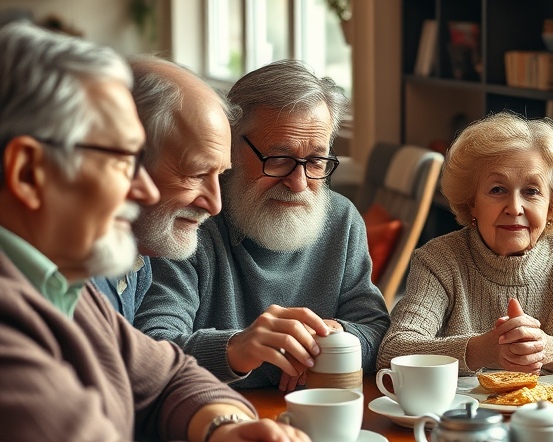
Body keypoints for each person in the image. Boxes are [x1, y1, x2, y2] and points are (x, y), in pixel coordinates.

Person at [0, 23, 386, 442]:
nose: (141, 190)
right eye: (120, 162)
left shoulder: (60, 285)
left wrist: (222, 427)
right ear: (27, 173)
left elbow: (165, 373)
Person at [137, 60, 390, 392]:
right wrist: (237, 349)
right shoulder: (191, 219)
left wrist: (330, 340)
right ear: (231, 148)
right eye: (279, 159)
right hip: (212, 414)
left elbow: (376, 329)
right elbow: (149, 348)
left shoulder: (340, 220)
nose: (298, 183)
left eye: (315, 161)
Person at [377, 112, 553, 375]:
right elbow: (392, 351)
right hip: (466, 414)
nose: (514, 207)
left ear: (551, 205)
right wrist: (481, 351)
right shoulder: (439, 259)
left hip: (552, 413)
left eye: (532, 191)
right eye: (497, 190)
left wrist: (549, 348)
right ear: (472, 202)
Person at [92, 55, 231, 324]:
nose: (215, 205)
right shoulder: (73, 274)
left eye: (220, 175)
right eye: (196, 174)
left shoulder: (134, 258)